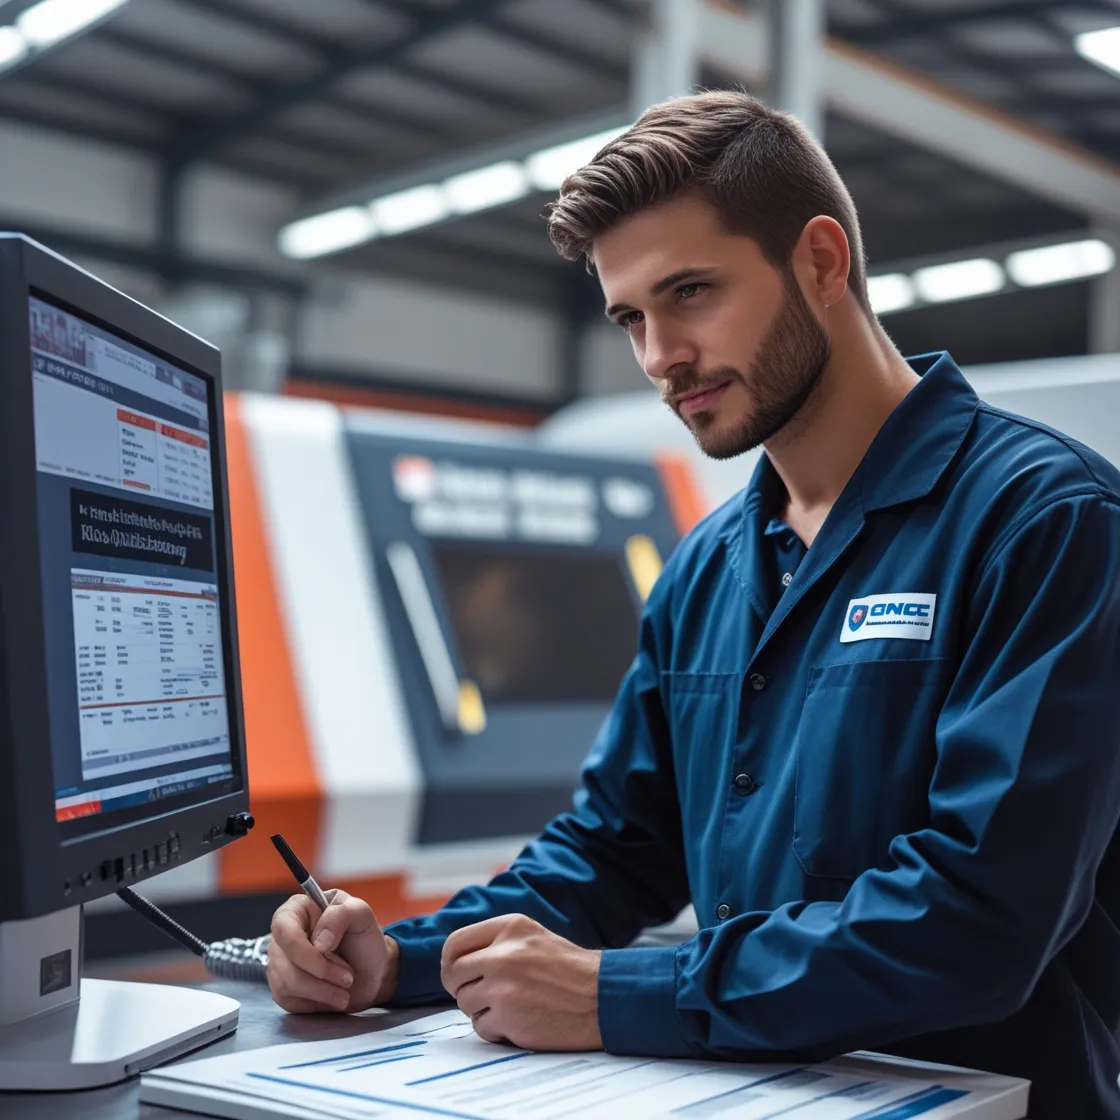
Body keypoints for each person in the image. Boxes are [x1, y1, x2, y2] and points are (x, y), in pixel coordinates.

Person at [267, 92, 1120, 1119]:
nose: (659, 356)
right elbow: (614, 847)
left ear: (819, 260)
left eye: (690, 293)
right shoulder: (709, 565)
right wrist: (395, 960)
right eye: (631, 316)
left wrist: (618, 992)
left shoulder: (1046, 521)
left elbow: (980, 918)